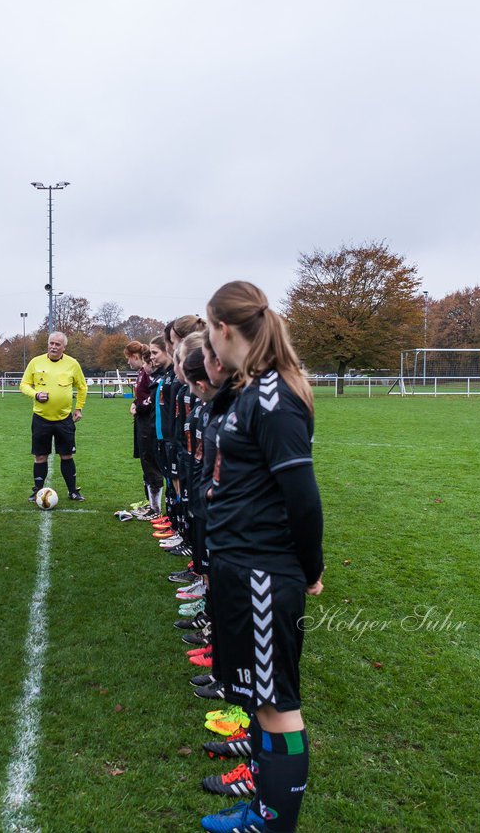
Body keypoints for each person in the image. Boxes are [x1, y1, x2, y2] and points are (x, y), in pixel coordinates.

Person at [200, 281, 324, 833]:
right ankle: (261, 806)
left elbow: (303, 495)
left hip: (262, 572)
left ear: (224, 329)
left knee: (277, 705)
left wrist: (311, 568)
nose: (208, 341)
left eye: (207, 330)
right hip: (236, 567)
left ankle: (273, 825)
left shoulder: (275, 398)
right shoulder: (249, 392)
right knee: (254, 697)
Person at [20, 331, 88, 501]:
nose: (53, 347)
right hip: (41, 418)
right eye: (51, 343)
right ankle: (37, 491)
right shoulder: (36, 362)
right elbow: (24, 384)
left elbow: (82, 387)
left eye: (58, 344)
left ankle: (73, 491)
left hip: (64, 419)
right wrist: (35, 394)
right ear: (48, 344)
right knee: (40, 456)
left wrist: (78, 408)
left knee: (66, 455)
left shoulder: (72, 364)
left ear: (64, 347)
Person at [126, 340, 164, 517]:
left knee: (150, 462)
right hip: (142, 422)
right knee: (145, 461)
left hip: (149, 423)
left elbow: (153, 397)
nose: (128, 363)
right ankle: (151, 504)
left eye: (129, 359)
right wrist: (135, 403)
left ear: (136, 357)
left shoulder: (150, 373)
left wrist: (139, 407)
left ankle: (155, 509)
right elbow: (142, 396)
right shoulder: (142, 372)